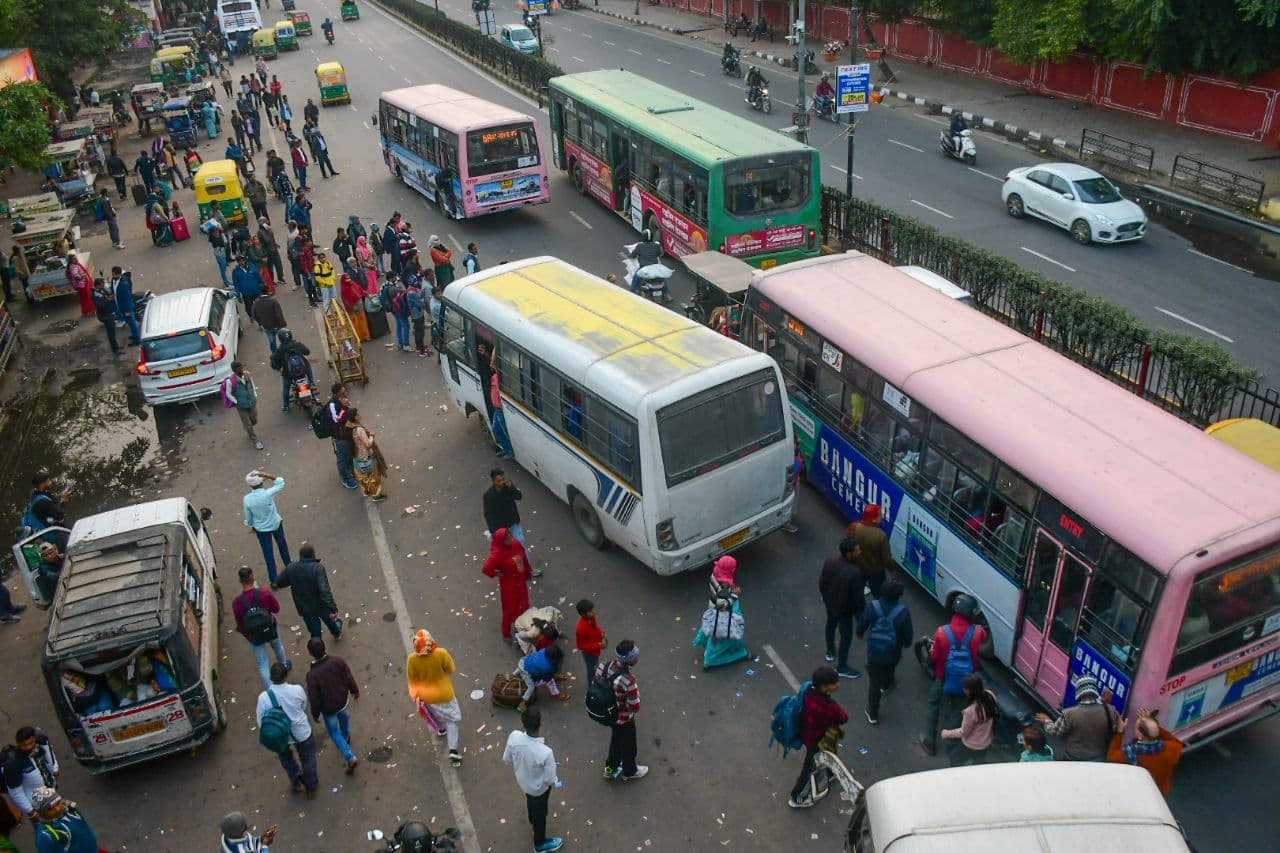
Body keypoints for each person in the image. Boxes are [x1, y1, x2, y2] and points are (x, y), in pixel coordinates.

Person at [918, 594, 989, 757]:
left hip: (943, 676)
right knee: (958, 711)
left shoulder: (942, 632)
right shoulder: (977, 632)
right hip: (966, 681)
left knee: (933, 704)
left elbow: (934, 657)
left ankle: (929, 741)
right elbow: (983, 638)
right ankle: (951, 745)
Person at [502, 708, 563, 853]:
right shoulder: (545, 753)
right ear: (540, 724)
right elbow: (549, 779)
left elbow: (506, 759)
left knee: (530, 801)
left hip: (523, 783)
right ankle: (540, 843)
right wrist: (555, 780)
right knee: (541, 814)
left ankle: (532, 821)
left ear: (523, 724)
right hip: (539, 789)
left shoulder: (514, 737)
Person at [256, 662, 319, 799]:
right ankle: (311, 786)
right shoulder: (297, 690)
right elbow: (303, 705)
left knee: (286, 759)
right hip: (301, 732)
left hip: (280, 737)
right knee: (308, 760)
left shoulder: (264, 698)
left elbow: (261, 721)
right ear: (286, 675)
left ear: (271, 677)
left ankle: (296, 780)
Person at [787, 666, 848, 808]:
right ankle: (797, 797)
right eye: (835, 683)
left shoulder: (808, 690)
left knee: (827, 754)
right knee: (809, 767)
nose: (838, 685)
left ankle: (829, 772)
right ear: (825, 687)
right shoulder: (828, 706)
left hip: (807, 733)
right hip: (817, 739)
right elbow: (843, 718)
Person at [855, 580, 912, 725]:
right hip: (893, 650)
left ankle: (872, 712)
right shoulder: (903, 612)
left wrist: (860, 633)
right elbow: (908, 637)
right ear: (898, 596)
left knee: (874, 682)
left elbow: (862, 625)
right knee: (889, 668)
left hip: (875, 651)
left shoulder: (872, 607)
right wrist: (904, 644)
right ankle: (886, 684)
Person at [406, 629, 463, 767]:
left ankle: (440, 729)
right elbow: (452, 669)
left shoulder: (412, 659)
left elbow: (412, 681)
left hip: (427, 696)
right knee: (452, 719)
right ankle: (453, 750)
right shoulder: (440, 653)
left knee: (435, 713)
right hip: (445, 694)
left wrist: (415, 696)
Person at [305, 638, 360, 774]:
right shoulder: (337, 661)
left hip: (328, 709)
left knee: (333, 731)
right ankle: (346, 736)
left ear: (310, 653)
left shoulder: (312, 675)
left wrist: (315, 713)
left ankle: (349, 756)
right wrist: (355, 690)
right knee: (344, 717)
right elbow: (348, 677)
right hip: (342, 700)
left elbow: (314, 698)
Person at [1034, 675, 1121, 761]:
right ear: (1095, 691)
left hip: (1074, 758)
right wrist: (1105, 704)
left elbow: (1055, 730)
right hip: (1098, 759)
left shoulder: (1069, 713)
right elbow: (1115, 729)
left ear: (1079, 692)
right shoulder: (1110, 710)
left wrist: (1047, 720)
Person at [597, 641, 647, 782]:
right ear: (629, 660)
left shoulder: (603, 666)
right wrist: (637, 697)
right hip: (624, 718)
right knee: (629, 745)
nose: (637, 658)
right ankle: (629, 771)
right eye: (635, 656)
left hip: (609, 715)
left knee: (616, 740)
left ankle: (610, 768)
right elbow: (635, 707)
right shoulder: (628, 681)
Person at [232, 566, 289, 689]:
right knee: (278, 647)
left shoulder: (237, 603)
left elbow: (240, 625)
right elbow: (276, 609)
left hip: (254, 636)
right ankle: (284, 668)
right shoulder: (264, 593)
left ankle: (271, 692)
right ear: (253, 577)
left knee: (263, 663)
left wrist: (249, 636)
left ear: (240, 581)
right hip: (270, 629)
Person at [1107, 707, 1183, 794]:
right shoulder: (1172, 748)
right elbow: (1175, 741)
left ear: (1140, 734)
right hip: (1160, 791)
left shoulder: (1129, 752)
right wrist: (1153, 726)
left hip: (1139, 791)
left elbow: (1111, 756)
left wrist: (1119, 732)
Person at [275, 542, 343, 641]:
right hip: (320, 604)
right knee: (329, 620)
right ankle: (336, 633)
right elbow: (324, 591)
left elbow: (279, 582)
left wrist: (293, 580)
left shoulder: (291, 568)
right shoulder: (317, 568)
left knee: (314, 631)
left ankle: (318, 649)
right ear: (313, 554)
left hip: (304, 606)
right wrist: (333, 608)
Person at [819, 538, 864, 680]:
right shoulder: (855, 573)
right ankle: (842, 666)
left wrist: (827, 599)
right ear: (849, 554)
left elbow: (822, 584)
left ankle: (830, 650)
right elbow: (858, 599)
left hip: (830, 604)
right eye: (857, 550)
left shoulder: (829, 562)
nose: (860, 551)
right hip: (845, 611)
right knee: (846, 637)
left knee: (830, 626)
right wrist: (860, 612)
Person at [694, 555, 749, 670]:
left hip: (714, 612)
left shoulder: (715, 575)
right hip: (724, 617)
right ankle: (709, 661)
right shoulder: (725, 585)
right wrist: (734, 595)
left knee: (717, 637)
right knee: (723, 638)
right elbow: (722, 606)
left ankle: (739, 654)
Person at [482, 527, 532, 643]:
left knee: (524, 605)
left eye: (509, 534)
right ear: (501, 541)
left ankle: (522, 626)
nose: (510, 538)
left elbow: (523, 558)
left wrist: (528, 573)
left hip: (520, 582)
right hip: (509, 586)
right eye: (506, 538)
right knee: (510, 610)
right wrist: (498, 573)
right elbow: (486, 569)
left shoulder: (516, 544)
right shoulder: (497, 554)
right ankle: (506, 632)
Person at [483, 468, 537, 571]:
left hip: (513, 523)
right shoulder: (488, 496)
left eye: (503, 479)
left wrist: (512, 488)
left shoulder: (508, 488)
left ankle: (528, 569)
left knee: (521, 544)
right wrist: (494, 532)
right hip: (502, 529)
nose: (502, 482)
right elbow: (488, 515)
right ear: (493, 481)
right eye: (499, 481)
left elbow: (519, 496)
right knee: (507, 550)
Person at [242, 470, 291, 584]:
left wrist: (251, 525)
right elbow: (280, 482)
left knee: (268, 553)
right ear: (262, 482)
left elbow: (249, 518)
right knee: (282, 545)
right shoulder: (268, 494)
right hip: (275, 524)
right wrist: (269, 475)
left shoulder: (247, 499)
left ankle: (274, 579)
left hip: (261, 529)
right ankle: (289, 567)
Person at [940, 674, 997, 766]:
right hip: (986, 741)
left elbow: (964, 732)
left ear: (969, 691)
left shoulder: (970, 711)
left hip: (972, 744)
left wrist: (946, 733)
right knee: (978, 763)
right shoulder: (990, 696)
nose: (963, 689)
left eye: (964, 687)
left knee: (955, 759)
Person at [3, 727, 59, 822]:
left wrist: (55, 769)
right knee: (48, 824)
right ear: (18, 743)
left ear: (35, 739)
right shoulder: (13, 763)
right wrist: (30, 811)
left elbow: (50, 754)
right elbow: (15, 792)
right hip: (37, 800)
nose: (28, 747)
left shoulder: (41, 742)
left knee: (59, 814)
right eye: (24, 745)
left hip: (50, 788)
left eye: (31, 743)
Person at [848, 504, 899, 598]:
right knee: (879, 595)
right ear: (873, 519)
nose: (882, 516)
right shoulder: (881, 536)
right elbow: (886, 559)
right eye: (879, 515)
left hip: (858, 568)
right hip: (875, 572)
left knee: (857, 591)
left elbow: (847, 544)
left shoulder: (854, 527)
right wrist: (892, 571)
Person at [29, 787, 100, 853]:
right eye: (50, 809)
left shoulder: (71, 809)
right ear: (42, 812)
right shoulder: (45, 835)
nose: (57, 809)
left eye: (57, 803)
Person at [346, 408, 387, 502]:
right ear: (355, 418)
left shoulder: (348, 427)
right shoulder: (359, 430)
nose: (359, 415)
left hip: (356, 458)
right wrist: (372, 435)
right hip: (365, 457)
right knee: (374, 476)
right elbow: (368, 445)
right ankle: (376, 495)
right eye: (357, 414)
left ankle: (366, 491)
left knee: (362, 476)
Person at [22, 471, 70, 550]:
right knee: (66, 549)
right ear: (41, 484)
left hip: (48, 530)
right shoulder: (42, 502)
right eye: (48, 481)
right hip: (56, 534)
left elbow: (52, 507)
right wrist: (64, 500)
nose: (51, 482)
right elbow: (60, 515)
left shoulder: (35, 494)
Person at [270, 328, 314, 412]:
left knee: (286, 387)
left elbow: (275, 363)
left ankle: (286, 406)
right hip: (303, 370)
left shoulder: (280, 351)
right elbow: (307, 352)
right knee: (308, 366)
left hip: (289, 374)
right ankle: (312, 382)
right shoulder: (297, 344)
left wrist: (279, 367)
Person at [223, 362, 264, 450]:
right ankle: (255, 440)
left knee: (254, 419)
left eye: (241, 368)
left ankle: (247, 427)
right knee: (248, 425)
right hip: (241, 407)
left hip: (251, 402)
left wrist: (255, 395)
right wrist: (236, 402)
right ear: (234, 370)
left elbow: (252, 385)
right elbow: (228, 394)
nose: (241, 370)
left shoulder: (247, 375)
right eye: (239, 369)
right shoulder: (230, 381)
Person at [326, 384, 359, 490]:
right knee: (342, 458)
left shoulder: (342, 399)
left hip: (347, 433)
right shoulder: (332, 405)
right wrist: (345, 407)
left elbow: (347, 415)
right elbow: (336, 420)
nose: (345, 390)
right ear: (338, 392)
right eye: (342, 389)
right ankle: (346, 479)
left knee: (350, 454)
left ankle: (351, 472)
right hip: (340, 437)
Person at [575, 598, 606, 685]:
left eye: (593, 610)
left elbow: (595, 628)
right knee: (591, 671)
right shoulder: (580, 629)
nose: (594, 612)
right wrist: (598, 645)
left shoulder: (591, 618)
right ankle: (592, 688)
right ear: (582, 614)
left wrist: (601, 634)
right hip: (589, 654)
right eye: (590, 611)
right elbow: (581, 646)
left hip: (595, 650)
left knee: (595, 667)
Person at [250, 290, 286, 355]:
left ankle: (275, 356)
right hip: (277, 325)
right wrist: (283, 324)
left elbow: (253, 314)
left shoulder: (256, 302)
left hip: (266, 326)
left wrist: (260, 322)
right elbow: (279, 314)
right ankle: (285, 352)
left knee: (272, 342)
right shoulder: (273, 301)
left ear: (260, 292)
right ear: (267, 291)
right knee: (283, 339)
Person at [109, 266, 139, 344]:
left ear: (119, 274)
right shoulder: (114, 280)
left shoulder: (124, 284)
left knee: (132, 323)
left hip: (126, 308)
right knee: (129, 322)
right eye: (112, 274)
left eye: (114, 275)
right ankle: (134, 335)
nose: (113, 276)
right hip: (120, 306)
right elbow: (113, 290)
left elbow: (127, 298)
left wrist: (128, 310)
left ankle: (136, 340)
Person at [90, 278, 120, 355]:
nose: (103, 286)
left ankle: (116, 346)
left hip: (110, 312)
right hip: (105, 315)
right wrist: (108, 300)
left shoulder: (102, 290)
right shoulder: (95, 294)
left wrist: (110, 296)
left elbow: (108, 295)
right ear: (97, 286)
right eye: (102, 284)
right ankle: (115, 349)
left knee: (113, 330)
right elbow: (99, 305)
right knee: (110, 332)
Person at [627, 230, 662, 295]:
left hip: (644, 269)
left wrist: (629, 256)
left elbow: (632, 255)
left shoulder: (640, 246)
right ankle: (667, 295)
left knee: (635, 277)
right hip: (655, 268)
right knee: (663, 278)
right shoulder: (656, 246)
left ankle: (631, 292)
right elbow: (659, 254)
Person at [340, 273, 371, 341]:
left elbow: (360, 290)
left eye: (349, 278)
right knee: (356, 324)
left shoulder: (352, 284)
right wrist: (350, 307)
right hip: (352, 308)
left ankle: (366, 336)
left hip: (359, 305)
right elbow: (345, 300)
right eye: (347, 278)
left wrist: (366, 294)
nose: (348, 280)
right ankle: (359, 338)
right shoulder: (344, 289)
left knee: (363, 321)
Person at [406, 279, 429, 356]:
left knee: (418, 331)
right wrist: (423, 303)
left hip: (417, 313)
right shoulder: (412, 293)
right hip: (417, 314)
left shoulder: (412, 290)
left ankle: (419, 346)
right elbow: (419, 303)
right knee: (419, 332)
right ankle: (421, 350)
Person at [207, 220, 230, 287]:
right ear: (212, 232)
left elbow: (224, 239)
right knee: (223, 269)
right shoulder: (212, 237)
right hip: (218, 254)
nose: (216, 233)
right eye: (215, 232)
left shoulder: (220, 234)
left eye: (217, 231)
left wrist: (218, 227)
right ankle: (226, 283)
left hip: (223, 252)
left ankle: (226, 281)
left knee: (224, 268)